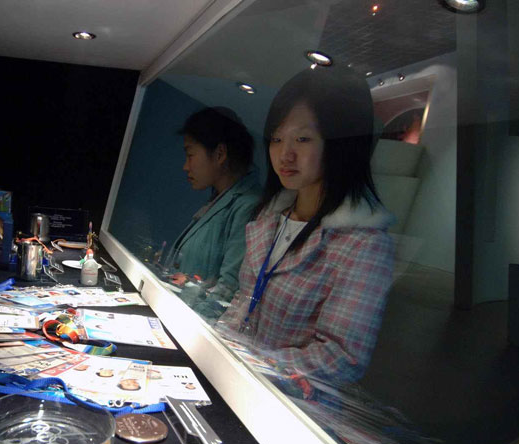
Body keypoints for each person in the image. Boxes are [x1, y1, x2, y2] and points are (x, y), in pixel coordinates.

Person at [217, 67, 395, 384]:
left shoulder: (363, 244)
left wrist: (251, 363)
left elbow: (341, 357)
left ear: (340, 143)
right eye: (277, 138)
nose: (285, 154)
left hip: (285, 397)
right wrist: (218, 344)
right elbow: (245, 300)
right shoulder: (270, 217)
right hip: (234, 378)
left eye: (302, 138)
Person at [167, 107, 261, 316]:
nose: (185, 166)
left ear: (219, 154)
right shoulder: (222, 198)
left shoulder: (248, 206)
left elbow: (227, 291)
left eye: (190, 155)